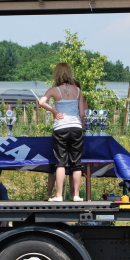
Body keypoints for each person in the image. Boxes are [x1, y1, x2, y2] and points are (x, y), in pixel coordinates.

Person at [38, 63, 88, 202]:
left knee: (61, 162)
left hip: (61, 127)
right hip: (76, 126)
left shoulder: (54, 90)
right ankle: (76, 195)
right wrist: (82, 124)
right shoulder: (77, 90)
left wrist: (54, 111)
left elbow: (41, 102)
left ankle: (59, 195)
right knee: (76, 163)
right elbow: (82, 113)